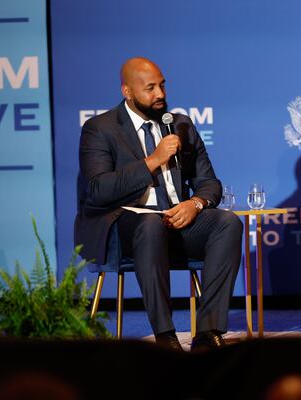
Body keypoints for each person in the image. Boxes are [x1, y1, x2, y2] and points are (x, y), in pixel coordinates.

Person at [75, 57, 242, 351]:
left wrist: (196, 203)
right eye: (150, 88)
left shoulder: (179, 124)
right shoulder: (100, 128)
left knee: (227, 222)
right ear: (127, 92)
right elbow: (97, 190)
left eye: (162, 85)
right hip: (126, 228)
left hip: (177, 221)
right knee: (150, 223)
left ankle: (207, 332)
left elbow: (209, 182)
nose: (160, 95)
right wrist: (153, 161)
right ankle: (165, 335)